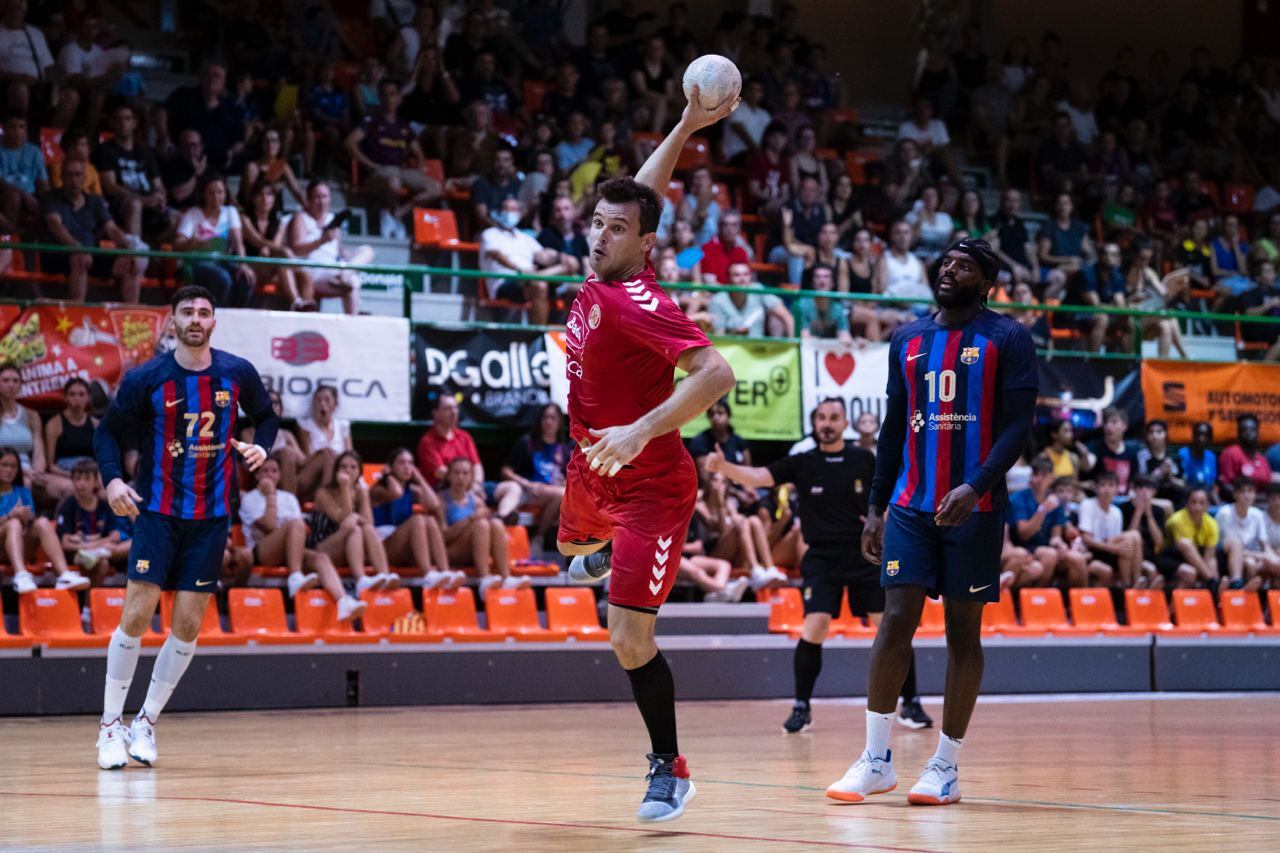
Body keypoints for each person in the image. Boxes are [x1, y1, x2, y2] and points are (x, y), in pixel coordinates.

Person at [556, 85, 739, 823]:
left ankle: (669, 766)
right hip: (590, 463)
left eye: (615, 229)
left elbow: (717, 374)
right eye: (596, 223)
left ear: (643, 246)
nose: (599, 236)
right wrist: (688, 123)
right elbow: (645, 193)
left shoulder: (641, 301)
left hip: (650, 482)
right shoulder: (610, 262)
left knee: (627, 636)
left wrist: (643, 430)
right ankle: (596, 554)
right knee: (571, 550)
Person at [826, 239, 1037, 807]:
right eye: (945, 262)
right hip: (910, 505)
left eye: (964, 265)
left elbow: (1019, 427)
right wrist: (875, 506)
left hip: (976, 507)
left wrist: (976, 486)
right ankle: (876, 760)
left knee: (961, 634)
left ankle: (945, 765)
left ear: (987, 281)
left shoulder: (1009, 338)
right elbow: (894, 428)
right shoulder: (908, 338)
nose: (949, 270)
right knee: (895, 619)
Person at [93, 284, 278, 770]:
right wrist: (112, 480)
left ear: (214, 321)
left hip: (212, 517)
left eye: (204, 312)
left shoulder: (237, 372)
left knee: (189, 624)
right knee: (136, 614)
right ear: (171, 322)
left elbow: (267, 418)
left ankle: (146, 722)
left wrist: (263, 446)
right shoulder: (147, 378)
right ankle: (110, 725)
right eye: (187, 312)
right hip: (157, 512)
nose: (196, 318)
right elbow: (107, 432)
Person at [707, 397, 933, 734]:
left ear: (845, 423)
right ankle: (801, 707)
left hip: (865, 555)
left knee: (891, 628)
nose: (827, 423)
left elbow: (893, 496)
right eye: (822, 418)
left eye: (834, 417)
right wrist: (723, 467)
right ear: (815, 424)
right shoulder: (802, 462)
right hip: (821, 558)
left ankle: (911, 704)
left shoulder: (864, 459)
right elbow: (759, 476)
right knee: (815, 626)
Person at [239, 454, 366, 619]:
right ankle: (295, 577)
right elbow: (269, 527)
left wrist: (292, 532)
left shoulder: (289, 498)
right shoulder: (250, 498)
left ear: (279, 475)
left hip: (291, 550)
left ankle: (343, 602)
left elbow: (302, 531)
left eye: (274, 471)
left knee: (320, 558)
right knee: (295, 523)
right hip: (263, 550)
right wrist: (270, 496)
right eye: (265, 471)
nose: (270, 475)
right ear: (257, 475)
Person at [39, 156, 149, 304]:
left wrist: (130, 247)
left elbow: (112, 229)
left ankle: (130, 315)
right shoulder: (49, 198)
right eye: (69, 175)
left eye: (78, 175)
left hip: (90, 254)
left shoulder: (95, 201)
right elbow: (56, 226)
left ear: (84, 177)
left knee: (130, 262)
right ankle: (76, 309)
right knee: (80, 258)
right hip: (59, 254)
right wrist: (77, 247)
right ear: (62, 177)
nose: (74, 180)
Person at [307, 449, 402, 594]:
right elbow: (343, 520)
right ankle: (361, 579)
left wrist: (357, 516)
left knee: (366, 529)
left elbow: (369, 522)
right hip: (324, 547)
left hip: (352, 549)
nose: (348, 471)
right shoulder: (323, 493)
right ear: (336, 470)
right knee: (355, 529)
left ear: (359, 472)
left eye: (353, 467)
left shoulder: (361, 491)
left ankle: (385, 575)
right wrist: (345, 488)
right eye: (343, 467)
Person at [416, 394, 522, 520]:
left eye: (455, 408)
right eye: (448, 409)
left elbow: (477, 466)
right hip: (447, 489)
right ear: (435, 413)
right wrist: (470, 487)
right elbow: (442, 473)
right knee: (475, 503)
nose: (453, 412)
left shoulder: (464, 437)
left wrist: (476, 485)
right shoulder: (427, 441)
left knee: (513, 488)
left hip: (472, 485)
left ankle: (501, 517)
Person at [1, 446, 90, 594]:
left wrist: (28, 518)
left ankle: (64, 575)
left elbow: (30, 522)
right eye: (4, 465)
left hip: (21, 545)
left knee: (42, 522)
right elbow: (12, 520)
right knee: (13, 523)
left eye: (13, 466)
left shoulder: (23, 492)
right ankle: (21, 575)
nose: (9, 470)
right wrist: (11, 516)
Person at [479, 196, 575, 326]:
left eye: (513, 210)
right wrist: (519, 269)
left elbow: (542, 255)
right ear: (498, 212)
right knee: (539, 286)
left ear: (519, 213)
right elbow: (497, 255)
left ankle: (582, 336)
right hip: (505, 282)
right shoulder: (490, 234)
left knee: (572, 270)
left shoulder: (525, 237)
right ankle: (539, 334)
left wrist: (559, 257)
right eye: (505, 209)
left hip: (529, 278)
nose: (509, 213)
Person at [369, 448, 457, 589]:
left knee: (430, 520)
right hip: (383, 548)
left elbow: (434, 504)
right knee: (417, 519)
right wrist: (389, 476)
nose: (407, 467)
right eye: (401, 463)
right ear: (391, 466)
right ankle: (428, 574)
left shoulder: (412, 489)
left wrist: (419, 477)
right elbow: (397, 493)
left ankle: (445, 572)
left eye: (410, 463)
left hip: (404, 547)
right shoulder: (378, 489)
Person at [440, 456, 524, 596]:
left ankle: (506, 577)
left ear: (471, 477)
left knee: (496, 523)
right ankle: (484, 578)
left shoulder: (476, 499)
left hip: (475, 551)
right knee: (481, 525)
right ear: (448, 475)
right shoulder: (441, 500)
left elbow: (488, 530)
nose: (461, 477)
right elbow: (443, 537)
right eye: (456, 473)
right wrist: (470, 519)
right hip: (452, 552)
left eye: (465, 473)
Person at [286, 179, 373, 314]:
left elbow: (339, 252)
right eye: (317, 197)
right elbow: (295, 248)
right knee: (353, 282)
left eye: (325, 196)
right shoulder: (301, 218)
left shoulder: (332, 218)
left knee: (367, 250)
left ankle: (346, 273)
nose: (321, 201)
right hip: (312, 271)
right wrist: (321, 241)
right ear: (309, 199)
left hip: (335, 269)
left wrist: (349, 256)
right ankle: (353, 318)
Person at [174, 175, 255, 307]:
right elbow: (177, 244)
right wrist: (192, 244)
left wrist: (243, 264)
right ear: (203, 195)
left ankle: (236, 318)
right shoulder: (192, 214)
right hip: (196, 263)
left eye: (220, 192)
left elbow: (238, 243)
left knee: (245, 279)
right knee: (222, 278)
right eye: (211, 193)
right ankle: (214, 317)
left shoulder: (231, 212)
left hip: (222, 262)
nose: (216, 197)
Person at [1005, 458, 1087, 588]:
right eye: (1034, 474)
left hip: (1045, 546)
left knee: (1077, 559)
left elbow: (1056, 535)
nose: (1036, 479)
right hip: (1023, 546)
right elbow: (1024, 535)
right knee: (1049, 555)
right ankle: (1037, 600)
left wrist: (1060, 545)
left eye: (1042, 475)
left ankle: (1079, 602)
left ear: (1051, 478)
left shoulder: (1055, 501)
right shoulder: (1019, 498)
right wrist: (1043, 511)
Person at [501, 403, 572, 552]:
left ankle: (540, 539)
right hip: (529, 492)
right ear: (539, 421)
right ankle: (538, 539)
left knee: (565, 495)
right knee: (562, 494)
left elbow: (569, 479)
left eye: (553, 418)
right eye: (545, 417)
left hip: (555, 495)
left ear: (560, 422)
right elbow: (506, 471)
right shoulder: (527, 442)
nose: (548, 422)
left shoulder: (564, 449)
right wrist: (526, 484)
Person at [55, 459, 130, 586]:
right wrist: (97, 545)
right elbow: (66, 544)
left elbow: (115, 536)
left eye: (86, 479)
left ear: (96, 481)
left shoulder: (104, 505)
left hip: (101, 551)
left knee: (133, 543)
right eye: (77, 479)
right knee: (103, 561)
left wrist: (93, 544)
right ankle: (88, 605)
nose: (81, 484)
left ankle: (89, 605)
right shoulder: (67, 506)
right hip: (77, 555)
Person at [1213, 476, 1278, 591]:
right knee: (1249, 562)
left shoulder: (1257, 514)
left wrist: (1273, 558)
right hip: (1226, 557)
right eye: (1242, 491)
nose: (1246, 495)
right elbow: (1232, 548)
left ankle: (1268, 604)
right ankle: (1237, 587)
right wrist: (1263, 556)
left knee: (1274, 564)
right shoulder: (1225, 513)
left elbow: (1265, 545)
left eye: (1250, 491)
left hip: (1252, 556)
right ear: (1235, 495)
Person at [1075, 471, 1137, 587]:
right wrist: (1114, 548)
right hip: (1091, 551)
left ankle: (1130, 585)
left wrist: (1115, 547)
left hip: (1108, 550)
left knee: (1132, 538)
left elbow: (1114, 539)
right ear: (1096, 488)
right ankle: (1128, 587)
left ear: (1117, 489)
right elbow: (1087, 539)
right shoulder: (1087, 504)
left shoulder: (1117, 512)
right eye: (1103, 485)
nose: (1106, 490)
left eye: (1111, 485)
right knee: (1105, 570)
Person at [42, 378, 98, 505]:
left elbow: (101, 459)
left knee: (107, 491)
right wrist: (76, 476)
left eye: (81, 394)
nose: (77, 398)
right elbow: (50, 465)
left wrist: (91, 477)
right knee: (74, 489)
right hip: (62, 473)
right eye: (72, 394)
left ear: (88, 397)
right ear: (65, 397)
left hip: (90, 472)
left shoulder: (96, 425)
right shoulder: (54, 424)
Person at [0, 364, 49, 501]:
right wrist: (23, 471)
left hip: (28, 468)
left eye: (15, 381)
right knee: (24, 482)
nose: (11, 385)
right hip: (4, 467)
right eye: (6, 380)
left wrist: (38, 471)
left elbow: (39, 450)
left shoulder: (31, 415)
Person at [1164, 488, 1223, 590]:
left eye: (1201, 503)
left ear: (1208, 505)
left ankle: (1215, 588)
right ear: (1187, 503)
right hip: (1171, 556)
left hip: (1197, 557)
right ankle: (1212, 582)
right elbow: (1185, 549)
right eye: (1193, 502)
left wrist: (1215, 576)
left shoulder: (1212, 523)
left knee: (1212, 563)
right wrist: (1210, 578)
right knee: (1187, 548)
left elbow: (1210, 557)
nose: (1197, 506)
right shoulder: (1176, 521)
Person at [1122, 474, 1171, 589]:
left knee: (1157, 574)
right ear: (1134, 489)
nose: (1144, 492)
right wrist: (1139, 511)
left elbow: (1159, 541)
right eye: (1140, 487)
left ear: (1155, 492)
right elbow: (1129, 535)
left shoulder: (1158, 511)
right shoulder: (1125, 508)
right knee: (1150, 571)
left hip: (1151, 554)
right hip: (1130, 555)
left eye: (1149, 488)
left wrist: (1148, 513)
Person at [1086, 407, 1140, 494]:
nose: (1108, 426)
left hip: (1123, 500)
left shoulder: (1132, 452)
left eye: (1114, 422)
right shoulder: (1095, 446)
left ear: (1124, 426)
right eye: (1106, 422)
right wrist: (1085, 456)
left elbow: (1134, 481)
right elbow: (1088, 463)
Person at [1219, 414, 1273, 500]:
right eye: (1244, 430)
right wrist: (1247, 499)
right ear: (1238, 433)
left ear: (1258, 432)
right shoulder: (1230, 453)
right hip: (1237, 506)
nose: (1248, 433)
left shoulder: (1262, 459)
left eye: (1252, 430)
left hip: (1262, 505)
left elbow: (1269, 487)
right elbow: (1225, 486)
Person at [1178, 421, 1218, 501]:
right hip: (1186, 499)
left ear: (1210, 439)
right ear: (1193, 436)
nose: (1201, 438)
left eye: (1205, 435)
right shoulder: (1182, 454)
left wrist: (1218, 503)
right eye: (1198, 434)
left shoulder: (1211, 457)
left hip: (1206, 500)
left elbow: (1211, 485)